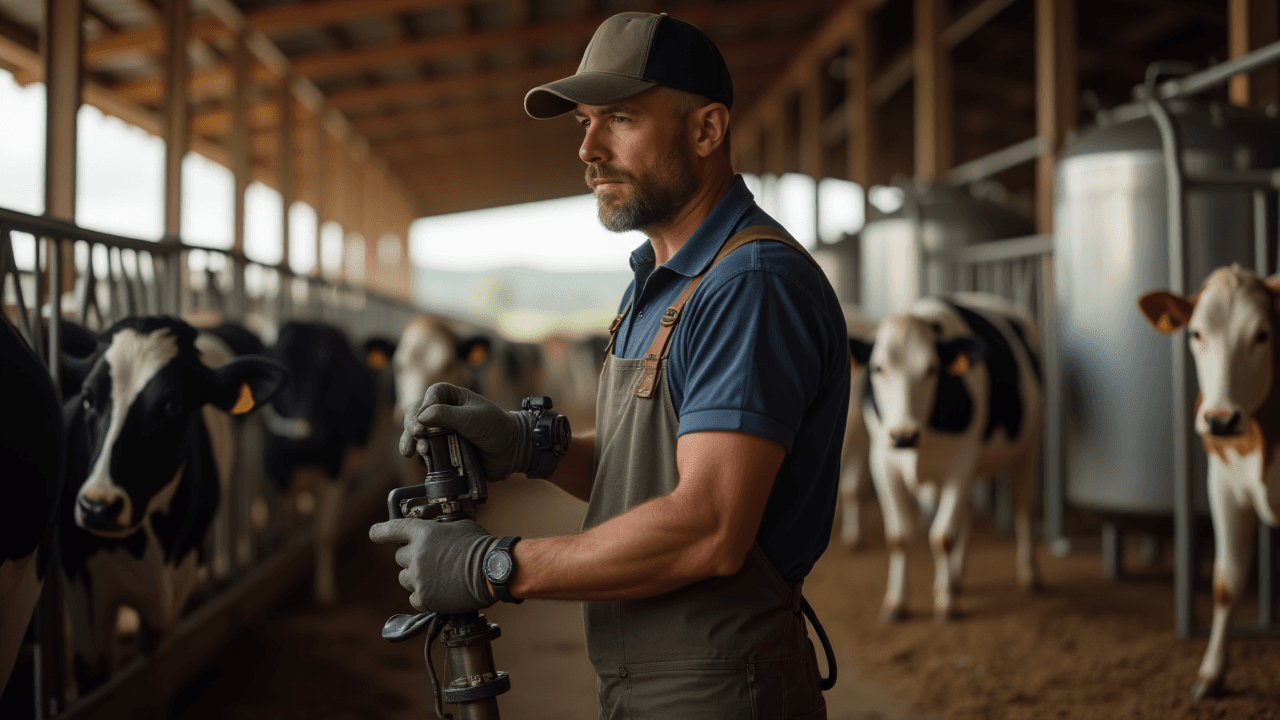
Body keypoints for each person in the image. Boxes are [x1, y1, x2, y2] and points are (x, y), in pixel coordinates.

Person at [370, 11, 851, 719]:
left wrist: (496, 565)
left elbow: (710, 524)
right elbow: (658, 474)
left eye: (619, 118)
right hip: (653, 678)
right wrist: (537, 448)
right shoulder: (661, 281)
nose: (589, 149)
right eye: (583, 123)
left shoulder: (749, 285)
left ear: (707, 130)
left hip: (720, 688)